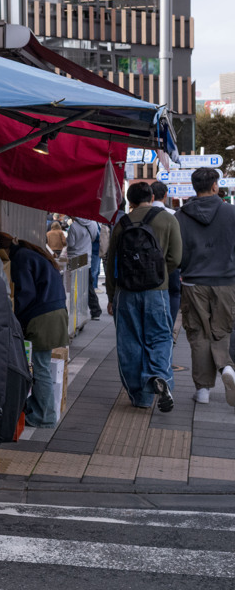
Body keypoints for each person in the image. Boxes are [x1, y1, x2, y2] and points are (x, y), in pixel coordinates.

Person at [104, 181, 181, 412]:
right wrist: (158, 275)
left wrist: (111, 296)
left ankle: (140, 398)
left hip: (126, 293)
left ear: (130, 202)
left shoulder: (121, 224)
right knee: (160, 336)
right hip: (157, 291)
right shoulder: (168, 219)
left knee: (129, 342)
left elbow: (111, 265)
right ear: (152, 196)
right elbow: (176, 258)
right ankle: (158, 376)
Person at [0, 231, 69, 427]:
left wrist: (13, 320)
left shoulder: (20, 259)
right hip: (55, 313)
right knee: (41, 365)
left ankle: (45, 416)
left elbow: (24, 295)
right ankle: (42, 410)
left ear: (2, 249)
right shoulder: (28, 253)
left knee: (40, 366)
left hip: (42, 317)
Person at [175, 167, 235, 406]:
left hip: (193, 282)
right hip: (226, 282)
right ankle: (227, 367)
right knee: (222, 329)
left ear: (193, 186)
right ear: (214, 186)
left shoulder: (180, 216)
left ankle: (202, 391)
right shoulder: (231, 213)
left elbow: (175, 253)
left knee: (198, 334)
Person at [151, 180, 182, 329]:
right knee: (174, 293)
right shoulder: (173, 215)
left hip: (146, 265)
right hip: (170, 264)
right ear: (165, 195)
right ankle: (169, 325)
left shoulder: (142, 214)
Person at [66, 216, 104, 320]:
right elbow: (94, 238)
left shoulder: (74, 226)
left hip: (75, 258)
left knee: (74, 286)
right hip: (87, 258)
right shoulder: (93, 223)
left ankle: (76, 310)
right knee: (88, 285)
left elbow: (71, 243)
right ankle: (95, 310)